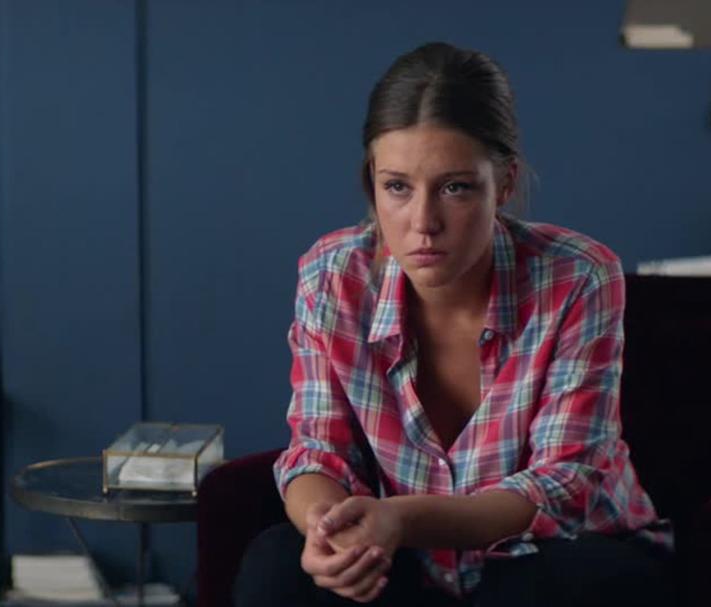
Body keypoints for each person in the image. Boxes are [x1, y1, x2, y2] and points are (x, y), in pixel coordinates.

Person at [233, 42, 674, 607]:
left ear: (505, 183)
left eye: (455, 187)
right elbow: (319, 451)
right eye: (397, 187)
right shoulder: (332, 276)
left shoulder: (579, 276)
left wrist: (401, 519)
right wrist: (329, 530)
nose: (423, 222)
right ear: (372, 183)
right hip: (405, 562)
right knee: (276, 567)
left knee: (560, 586)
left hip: (559, 554)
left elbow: (562, 484)